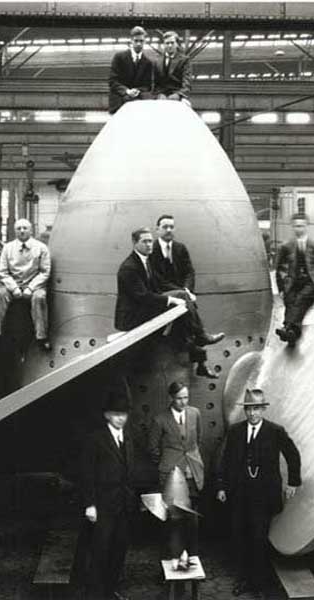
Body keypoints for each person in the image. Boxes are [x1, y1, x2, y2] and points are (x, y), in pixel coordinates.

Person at [216, 389, 302, 599]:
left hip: (264, 496)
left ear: (263, 409)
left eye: (256, 409)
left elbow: (293, 455)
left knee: (259, 538)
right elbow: (225, 460)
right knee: (241, 537)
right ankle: (245, 580)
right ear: (245, 410)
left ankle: (260, 583)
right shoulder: (236, 431)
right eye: (249, 409)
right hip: (240, 495)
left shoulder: (275, 431)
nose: (252, 413)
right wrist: (222, 486)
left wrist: (293, 482)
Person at [114, 227, 222, 379]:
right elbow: (143, 296)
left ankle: (200, 352)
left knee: (182, 306)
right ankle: (201, 340)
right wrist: (171, 299)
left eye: (150, 241)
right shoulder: (129, 268)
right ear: (134, 243)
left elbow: (160, 284)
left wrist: (186, 292)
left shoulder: (145, 261)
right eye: (145, 242)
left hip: (144, 308)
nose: (149, 245)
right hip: (132, 316)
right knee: (181, 306)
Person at [75, 387, 136, 600]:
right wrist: (90, 504)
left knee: (118, 552)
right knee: (99, 553)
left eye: (124, 414)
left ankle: (111, 592)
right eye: (116, 414)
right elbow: (87, 474)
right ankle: (95, 594)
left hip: (123, 506)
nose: (121, 418)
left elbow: (129, 471)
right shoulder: (95, 439)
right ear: (107, 415)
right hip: (102, 507)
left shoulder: (128, 438)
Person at [148, 214, 224, 347]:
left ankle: (193, 342)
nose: (169, 230)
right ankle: (201, 336)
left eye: (171, 227)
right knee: (184, 298)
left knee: (185, 301)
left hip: (181, 292)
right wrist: (183, 291)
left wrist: (188, 289)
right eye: (165, 227)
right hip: (160, 293)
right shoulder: (151, 250)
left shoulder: (180, 248)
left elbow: (189, 272)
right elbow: (156, 279)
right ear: (157, 229)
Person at [148, 381, 203, 559]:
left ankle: (192, 557)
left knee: (192, 518)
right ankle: (171, 558)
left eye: (186, 397)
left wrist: (192, 461)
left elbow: (198, 440)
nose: (183, 402)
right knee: (173, 518)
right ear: (171, 397)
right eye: (179, 398)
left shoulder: (195, 413)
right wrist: (168, 463)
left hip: (192, 473)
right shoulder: (160, 420)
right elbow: (152, 448)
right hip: (170, 475)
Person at [0, 218, 52, 352]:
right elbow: (3, 272)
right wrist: (14, 288)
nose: (22, 231)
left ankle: (41, 337)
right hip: (13, 284)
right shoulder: (7, 248)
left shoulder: (41, 248)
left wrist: (30, 288)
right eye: (19, 228)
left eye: (25, 228)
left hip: (35, 285)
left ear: (31, 230)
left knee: (39, 298)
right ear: (15, 231)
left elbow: (45, 272)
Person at [274, 213, 314, 347]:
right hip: (294, 282)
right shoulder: (286, 246)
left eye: (301, 226)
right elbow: (279, 269)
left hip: (313, 282)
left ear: (306, 226)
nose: (299, 229)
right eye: (296, 226)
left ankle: (287, 326)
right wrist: (282, 288)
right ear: (292, 227)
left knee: (302, 298)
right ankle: (293, 332)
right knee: (290, 298)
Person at [108, 26, 154, 114]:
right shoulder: (119, 57)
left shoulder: (148, 62)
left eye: (141, 41)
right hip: (120, 97)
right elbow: (113, 81)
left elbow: (147, 85)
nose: (139, 44)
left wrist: (137, 91)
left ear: (144, 42)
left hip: (137, 97)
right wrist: (127, 91)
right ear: (131, 41)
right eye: (136, 41)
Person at [154, 31, 192, 104]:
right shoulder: (157, 60)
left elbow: (187, 83)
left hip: (179, 96)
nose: (170, 45)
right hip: (161, 96)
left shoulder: (184, 60)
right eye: (167, 43)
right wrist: (159, 94)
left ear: (177, 44)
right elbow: (154, 82)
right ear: (164, 44)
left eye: (172, 43)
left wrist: (178, 95)